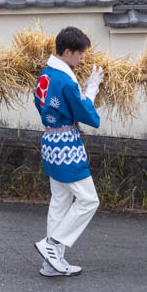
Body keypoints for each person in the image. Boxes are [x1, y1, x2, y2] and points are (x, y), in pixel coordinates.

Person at [33, 26, 103, 277]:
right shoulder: (64, 79)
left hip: (50, 141)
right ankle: (52, 245)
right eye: (80, 53)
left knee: (61, 201)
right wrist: (91, 90)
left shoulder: (46, 74)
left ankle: (50, 263)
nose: (83, 58)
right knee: (88, 200)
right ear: (67, 52)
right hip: (66, 145)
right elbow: (83, 112)